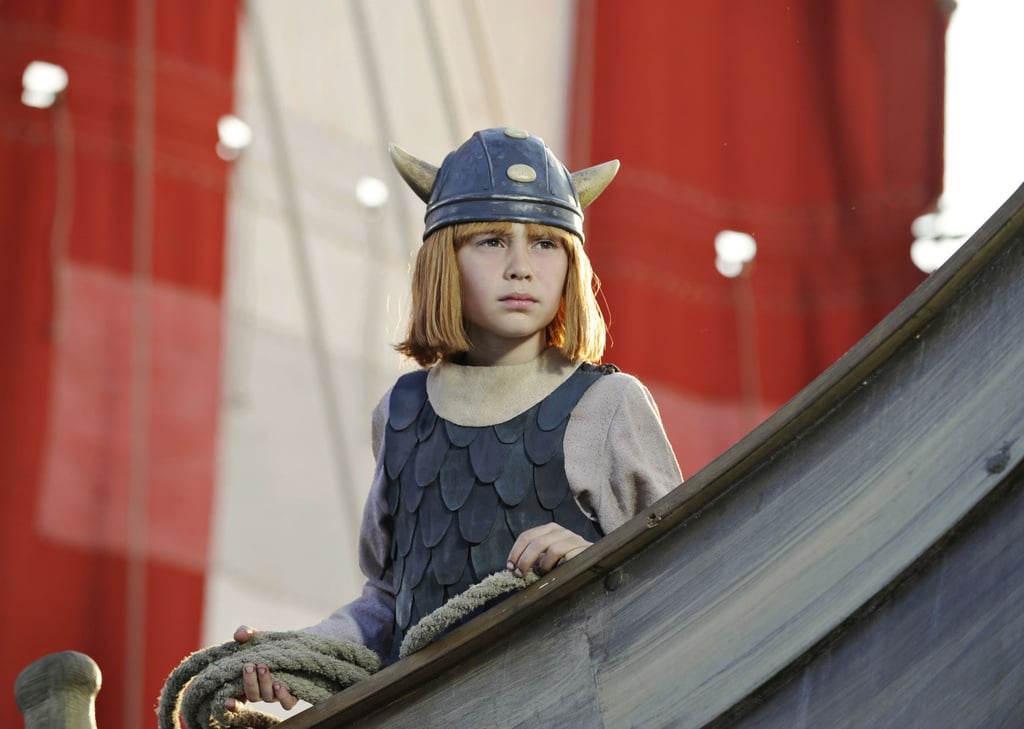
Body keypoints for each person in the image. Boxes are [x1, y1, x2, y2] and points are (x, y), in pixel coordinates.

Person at [228, 127, 683, 711]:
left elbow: (678, 577)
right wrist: (299, 653)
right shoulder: (400, 412)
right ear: (444, 261)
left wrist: (590, 560)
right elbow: (389, 600)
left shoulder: (610, 404)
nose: (522, 266)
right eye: (492, 241)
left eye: (545, 243)